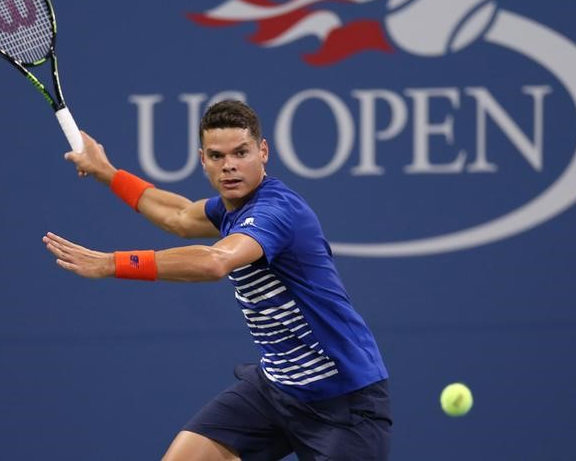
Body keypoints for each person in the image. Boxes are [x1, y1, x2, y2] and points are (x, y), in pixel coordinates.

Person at [43, 99, 391, 460]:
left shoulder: (275, 210)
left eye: (241, 153)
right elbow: (177, 216)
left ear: (263, 151)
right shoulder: (228, 208)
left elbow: (214, 261)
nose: (229, 166)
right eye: (217, 156)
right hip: (277, 389)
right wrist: (109, 174)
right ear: (202, 159)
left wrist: (112, 263)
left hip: (344, 402)